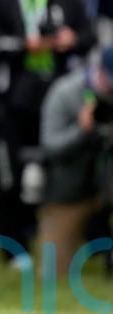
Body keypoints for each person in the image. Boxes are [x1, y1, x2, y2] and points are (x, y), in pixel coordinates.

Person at [0, 0, 95, 266]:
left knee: (58, 167)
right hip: (11, 97)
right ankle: (12, 247)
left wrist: (72, 39)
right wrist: (24, 45)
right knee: (10, 174)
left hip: (56, 95)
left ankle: (66, 240)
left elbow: (88, 35)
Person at [39, 45, 113, 276]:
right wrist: (81, 130)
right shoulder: (65, 92)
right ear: (100, 71)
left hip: (107, 180)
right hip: (70, 189)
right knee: (53, 272)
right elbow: (50, 146)